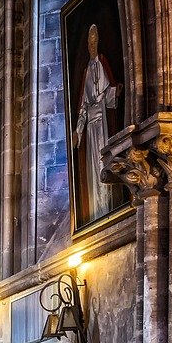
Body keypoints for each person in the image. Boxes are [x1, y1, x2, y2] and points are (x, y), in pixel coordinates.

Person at [75, 23, 120, 220]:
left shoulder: (102, 63)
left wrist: (115, 91)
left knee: (104, 162)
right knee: (94, 167)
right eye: (89, 42)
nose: (92, 45)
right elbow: (83, 107)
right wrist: (78, 131)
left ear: (98, 41)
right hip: (91, 127)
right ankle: (97, 211)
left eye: (95, 41)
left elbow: (109, 93)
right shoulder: (86, 71)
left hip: (103, 124)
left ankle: (108, 206)